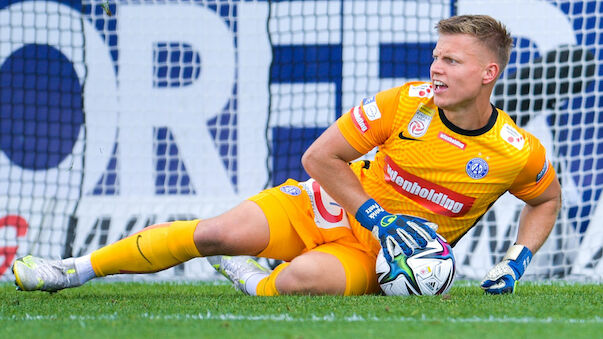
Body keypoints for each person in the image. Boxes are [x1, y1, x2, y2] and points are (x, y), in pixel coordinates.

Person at [12, 14, 561, 296]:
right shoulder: (403, 103)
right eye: (436, 56)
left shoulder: (513, 150)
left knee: (301, 283)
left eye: (454, 61)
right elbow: (320, 159)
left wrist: (515, 263)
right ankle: (69, 270)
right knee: (215, 234)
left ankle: (252, 280)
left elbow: (546, 199)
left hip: (378, 258)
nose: (437, 68)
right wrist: (378, 214)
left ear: (489, 73)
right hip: (328, 206)